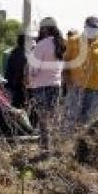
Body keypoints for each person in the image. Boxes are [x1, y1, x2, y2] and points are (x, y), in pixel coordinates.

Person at [64, 16, 98, 129]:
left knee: (89, 121)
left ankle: (83, 145)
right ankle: (68, 143)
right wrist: (68, 82)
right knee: (72, 119)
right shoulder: (73, 41)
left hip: (95, 89)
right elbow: (66, 63)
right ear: (85, 27)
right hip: (76, 87)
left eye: (94, 28)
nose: (92, 30)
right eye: (89, 27)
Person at [29, 17, 65, 149]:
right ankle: (55, 145)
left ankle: (45, 146)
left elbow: (34, 70)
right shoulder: (60, 44)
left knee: (43, 118)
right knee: (54, 116)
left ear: (44, 28)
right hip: (56, 85)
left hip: (41, 86)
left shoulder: (41, 45)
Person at [4, 34, 29, 108]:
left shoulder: (16, 51)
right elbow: (19, 71)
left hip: (12, 84)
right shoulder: (22, 54)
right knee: (17, 107)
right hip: (16, 86)